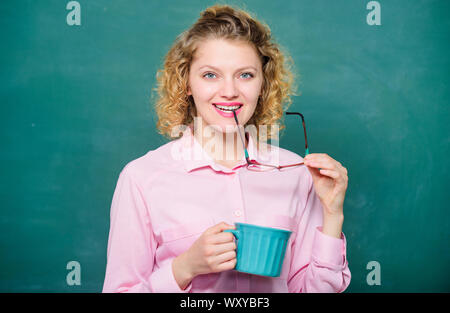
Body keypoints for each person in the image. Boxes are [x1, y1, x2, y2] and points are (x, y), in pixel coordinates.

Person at [102, 4, 351, 293]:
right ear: (187, 84)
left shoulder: (297, 174)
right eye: (210, 75)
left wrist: (333, 215)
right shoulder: (141, 178)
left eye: (245, 75)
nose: (230, 91)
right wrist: (185, 268)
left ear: (263, 84)